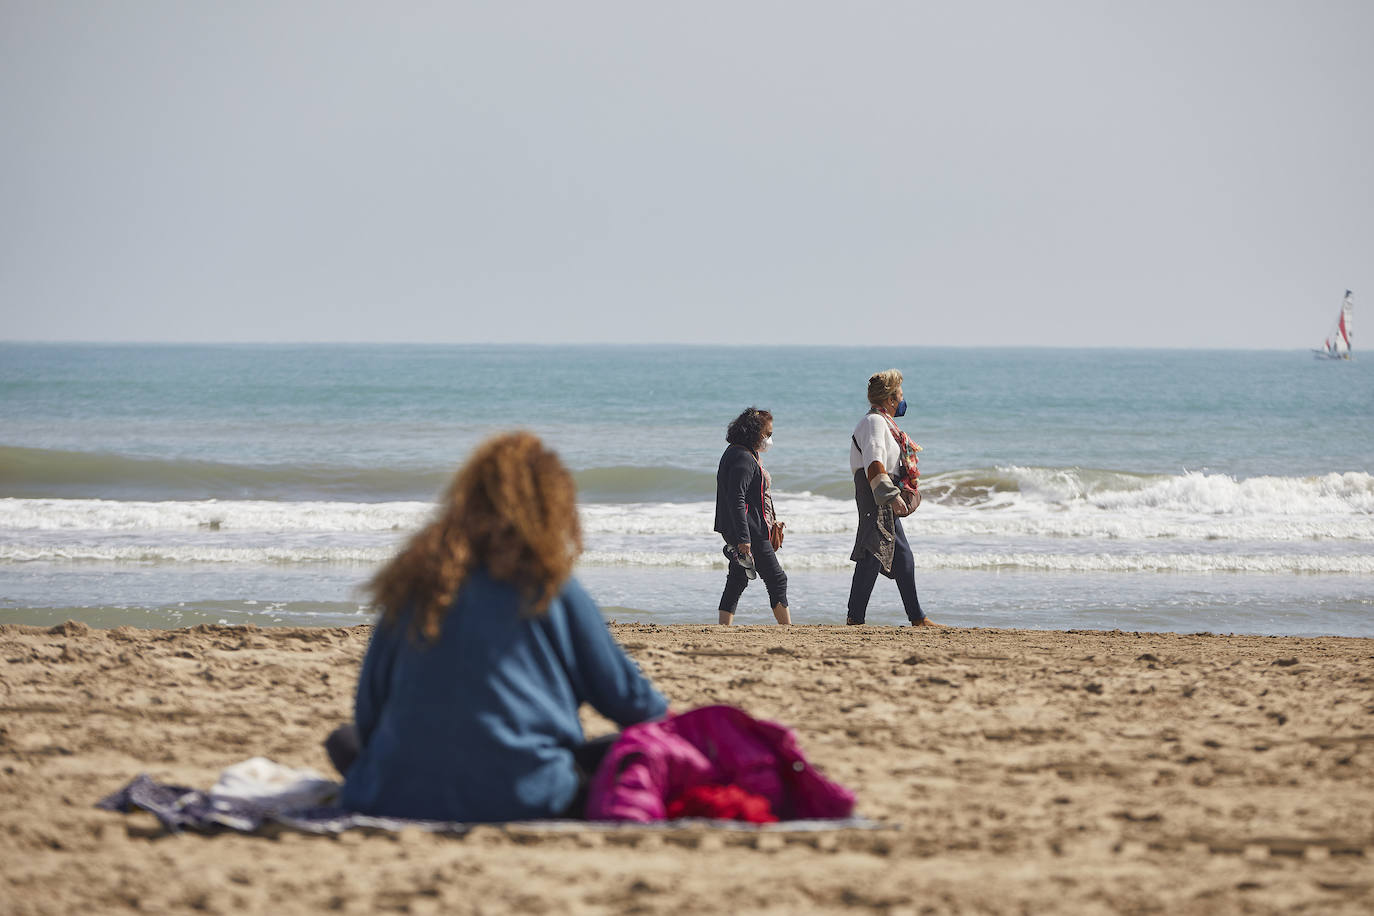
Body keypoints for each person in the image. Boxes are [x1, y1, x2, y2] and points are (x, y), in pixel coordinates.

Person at [329, 431, 668, 822]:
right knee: (614, 752)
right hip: (526, 796)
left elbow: (369, 714)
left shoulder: (417, 583)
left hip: (392, 796)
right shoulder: (549, 588)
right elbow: (636, 706)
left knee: (344, 741)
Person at [847, 369, 945, 628]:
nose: (903, 401)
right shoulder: (875, 423)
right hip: (875, 492)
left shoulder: (882, 422)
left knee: (901, 557)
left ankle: (916, 617)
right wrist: (890, 496)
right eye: (900, 396)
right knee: (873, 553)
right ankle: (856, 619)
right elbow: (873, 461)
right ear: (890, 400)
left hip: (880, 490)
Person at [713, 407, 791, 626]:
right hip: (751, 531)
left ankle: (723, 627)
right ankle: (787, 628)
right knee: (777, 580)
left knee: (737, 579)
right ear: (755, 433)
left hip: (744, 528)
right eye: (768, 434)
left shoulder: (737, 452)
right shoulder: (743, 458)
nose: (769, 439)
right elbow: (736, 499)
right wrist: (744, 538)